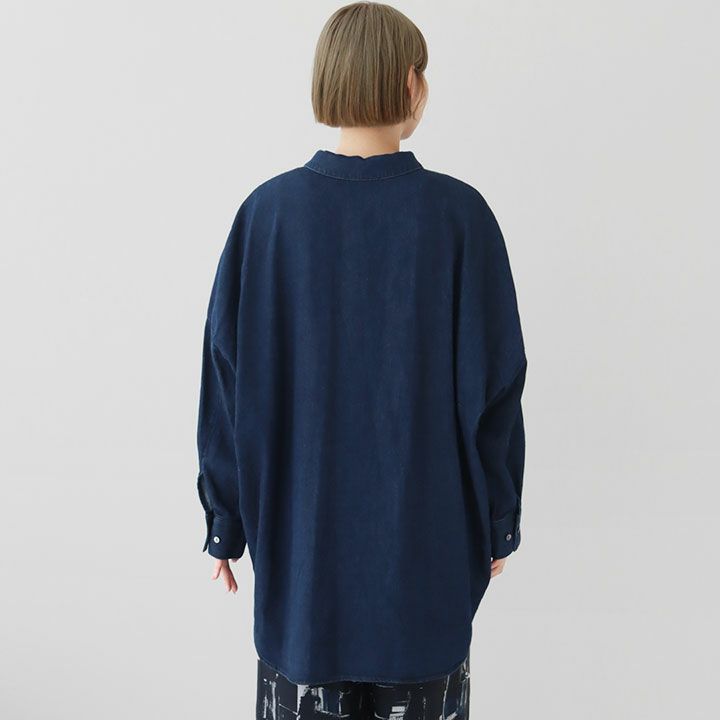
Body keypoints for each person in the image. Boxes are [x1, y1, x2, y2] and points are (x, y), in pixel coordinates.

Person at [195, 3, 527, 718]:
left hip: (303, 585)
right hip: (424, 583)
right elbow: (496, 389)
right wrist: (499, 517)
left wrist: (225, 521)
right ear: (412, 84)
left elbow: (228, 386)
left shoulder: (267, 217)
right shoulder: (460, 219)